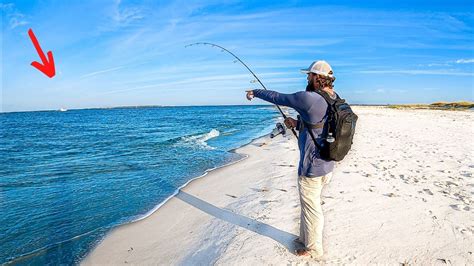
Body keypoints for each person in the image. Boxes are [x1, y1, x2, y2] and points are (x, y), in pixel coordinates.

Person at [246, 60, 336, 259]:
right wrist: (297, 123)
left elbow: (279, 97)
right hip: (328, 163)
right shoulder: (333, 97)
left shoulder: (309, 98)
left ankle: (313, 249)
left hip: (312, 166)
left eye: (309, 75)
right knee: (309, 205)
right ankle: (305, 240)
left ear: (317, 77)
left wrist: (255, 91)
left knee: (312, 209)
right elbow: (319, 125)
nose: (306, 78)